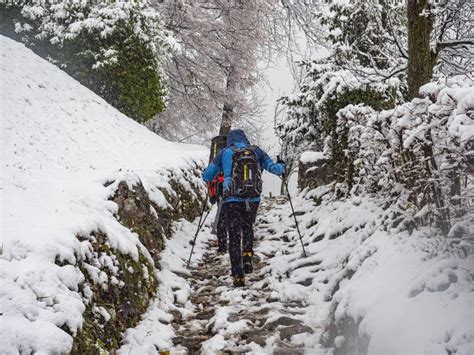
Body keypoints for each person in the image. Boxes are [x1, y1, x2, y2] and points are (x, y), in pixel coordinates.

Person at [202, 129, 285, 287]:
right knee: (248, 227)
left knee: (234, 235)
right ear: (245, 139)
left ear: (229, 141)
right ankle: (247, 256)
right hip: (252, 198)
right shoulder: (256, 151)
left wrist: (207, 175)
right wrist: (282, 166)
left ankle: (238, 275)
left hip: (231, 199)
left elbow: (208, 175)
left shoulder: (224, 152)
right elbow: (274, 168)